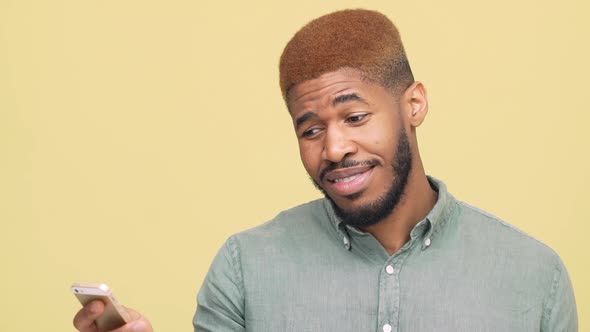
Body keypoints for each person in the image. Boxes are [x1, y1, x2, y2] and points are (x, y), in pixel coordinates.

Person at [73, 9, 578, 332]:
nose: (334, 148)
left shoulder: (534, 277)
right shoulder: (245, 267)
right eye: (310, 129)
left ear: (414, 105)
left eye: (355, 117)